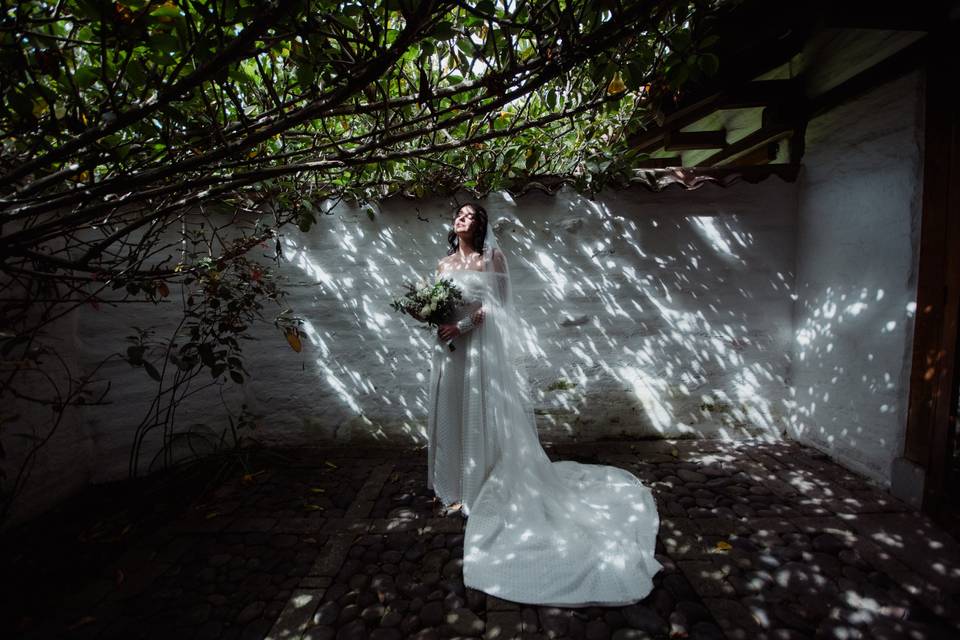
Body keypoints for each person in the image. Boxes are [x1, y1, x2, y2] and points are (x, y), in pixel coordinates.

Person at [406, 201, 662, 607]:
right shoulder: (442, 263)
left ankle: (483, 484)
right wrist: (436, 321)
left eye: (471, 215)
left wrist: (465, 324)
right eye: (459, 214)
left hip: (479, 352)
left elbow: (498, 307)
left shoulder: (494, 257)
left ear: (481, 225)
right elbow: (437, 301)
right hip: (449, 351)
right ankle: (452, 483)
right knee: (451, 411)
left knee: (481, 415)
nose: (463, 219)